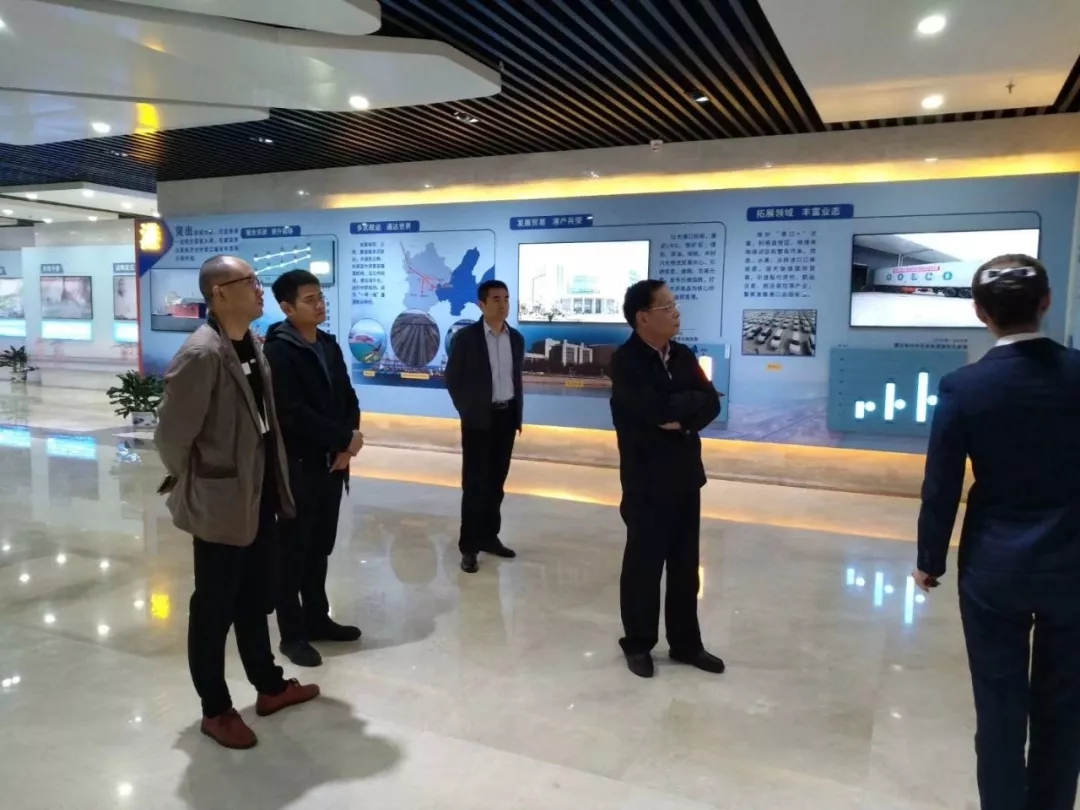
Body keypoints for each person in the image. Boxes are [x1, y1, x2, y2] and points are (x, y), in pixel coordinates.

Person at [915, 254, 1080, 810]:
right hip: (1073, 564)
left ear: (980, 312)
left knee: (999, 708)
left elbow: (942, 482)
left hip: (994, 567)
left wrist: (930, 559)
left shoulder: (965, 386)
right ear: (1046, 302)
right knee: (1065, 708)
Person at [155, 255, 319, 750]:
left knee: (254, 595)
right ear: (220, 293)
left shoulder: (250, 343)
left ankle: (269, 685)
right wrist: (204, 481)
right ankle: (216, 709)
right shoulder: (201, 355)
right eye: (250, 281)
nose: (259, 288)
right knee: (214, 606)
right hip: (223, 501)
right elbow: (172, 437)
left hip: (258, 492)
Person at [610, 279, 725, 679]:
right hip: (646, 480)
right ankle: (638, 643)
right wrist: (685, 405)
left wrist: (684, 414)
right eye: (667, 306)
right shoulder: (626, 362)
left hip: (686, 476)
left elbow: (711, 403)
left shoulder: (683, 355)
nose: (676, 312)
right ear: (644, 317)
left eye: (675, 304)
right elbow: (654, 410)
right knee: (643, 566)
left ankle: (686, 643)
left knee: (685, 565)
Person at [263, 269, 364, 668]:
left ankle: (317, 618)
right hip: (299, 466)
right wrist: (343, 439)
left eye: (320, 297)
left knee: (320, 546)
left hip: (332, 465)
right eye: (310, 300)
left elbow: (348, 397)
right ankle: (292, 634)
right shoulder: (278, 352)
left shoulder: (328, 344)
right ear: (287, 308)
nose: (320, 304)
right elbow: (291, 414)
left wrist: (348, 443)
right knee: (293, 552)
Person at [445, 279, 524, 574]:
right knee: (475, 485)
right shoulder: (466, 338)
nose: (503, 305)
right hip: (479, 420)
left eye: (506, 298)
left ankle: (490, 537)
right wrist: (468, 410)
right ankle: (469, 547)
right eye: (496, 299)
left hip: (506, 417)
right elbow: (453, 378)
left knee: (496, 484)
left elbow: (514, 379)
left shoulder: (515, 338)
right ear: (482, 304)